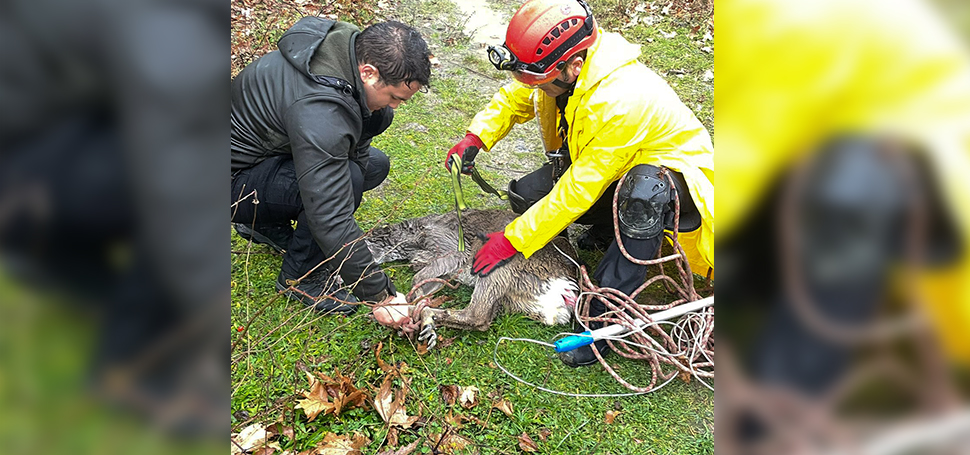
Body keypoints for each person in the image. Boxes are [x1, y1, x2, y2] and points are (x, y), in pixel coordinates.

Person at [444, 0, 714, 366]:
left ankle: (604, 321)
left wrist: (511, 240)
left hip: (676, 185)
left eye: (538, 81)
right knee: (528, 194)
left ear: (572, 66)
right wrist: (477, 136)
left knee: (643, 195)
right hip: (615, 167)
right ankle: (609, 231)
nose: (532, 86)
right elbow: (518, 97)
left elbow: (578, 190)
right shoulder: (561, 68)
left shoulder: (623, 99)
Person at [231, 18, 430, 313]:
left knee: (372, 166)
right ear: (369, 72)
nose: (395, 106)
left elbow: (357, 152)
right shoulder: (320, 108)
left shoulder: (343, 53)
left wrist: (350, 190)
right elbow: (329, 214)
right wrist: (380, 296)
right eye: (393, 97)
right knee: (346, 181)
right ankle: (301, 279)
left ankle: (264, 224)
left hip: (264, 156)